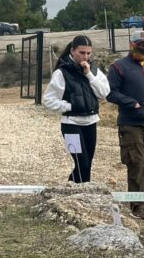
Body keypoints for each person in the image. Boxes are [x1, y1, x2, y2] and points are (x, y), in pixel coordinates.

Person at [106, 29, 144, 218]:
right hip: (131, 124)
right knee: (137, 165)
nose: (142, 48)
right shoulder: (118, 67)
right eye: (138, 45)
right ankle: (137, 206)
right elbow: (111, 93)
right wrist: (131, 103)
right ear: (131, 45)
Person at [42, 35, 110, 183]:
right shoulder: (61, 73)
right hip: (70, 124)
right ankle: (78, 192)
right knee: (81, 163)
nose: (85, 56)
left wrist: (89, 75)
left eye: (88, 53)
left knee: (87, 164)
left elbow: (104, 93)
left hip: (91, 122)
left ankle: (74, 189)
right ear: (72, 51)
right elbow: (47, 100)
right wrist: (69, 106)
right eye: (82, 52)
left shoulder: (95, 71)